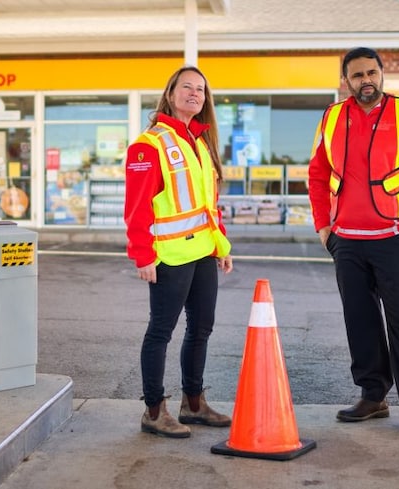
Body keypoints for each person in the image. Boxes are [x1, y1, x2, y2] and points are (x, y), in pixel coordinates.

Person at [307, 47, 399, 436]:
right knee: (360, 321)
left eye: (372, 73)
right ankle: (373, 395)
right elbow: (317, 175)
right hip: (347, 239)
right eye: (357, 75)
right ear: (345, 81)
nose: (366, 80)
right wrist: (324, 226)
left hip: (396, 236)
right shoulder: (332, 117)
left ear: (382, 74)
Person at [124, 65, 234, 438]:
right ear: (170, 94)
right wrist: (143, 254)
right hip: (168, 255)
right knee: (161, 331)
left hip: (203, 251)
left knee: (201, 328)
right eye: (186, 87)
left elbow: (208, 204)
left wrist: (222, 245)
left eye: (201, 90)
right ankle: (154, 411)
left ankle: (193, 403)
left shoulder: (200, 142)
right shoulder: (149, 144)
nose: (194, 94)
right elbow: (137, 206)